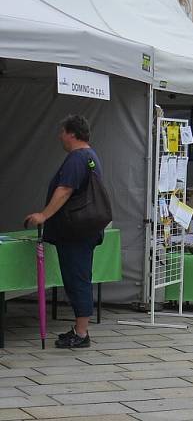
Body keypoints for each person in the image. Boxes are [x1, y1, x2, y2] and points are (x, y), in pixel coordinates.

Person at [25, 115, 105, 349]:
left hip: (75, 231)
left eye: (62, 131)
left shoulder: (77, 158)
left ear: (72, 133)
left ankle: (81, 334)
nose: (60, 136)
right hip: (85, 229)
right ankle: (80, 329)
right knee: (80, 277)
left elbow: (64, 190)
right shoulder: (91, 156)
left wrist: (44, 215)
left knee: (76, 279)